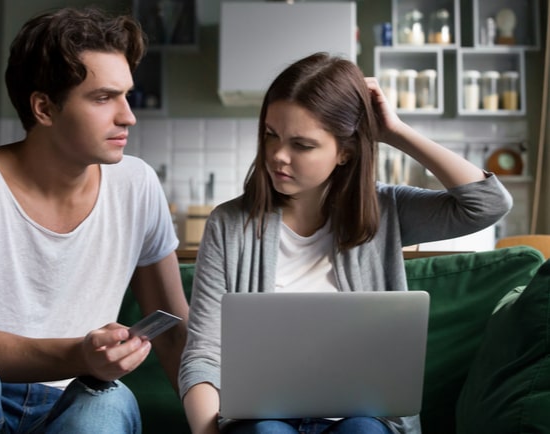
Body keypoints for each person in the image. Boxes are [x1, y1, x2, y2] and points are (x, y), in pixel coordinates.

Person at [178, 53, 512, 434]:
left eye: (302, 145)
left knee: (364, 431)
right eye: (271, 135)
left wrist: (395, 132)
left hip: (364, 420)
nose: (278, 156)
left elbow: (487, 204)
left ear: (345, 152)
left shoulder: (387, 210)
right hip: (261, 422)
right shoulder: (229, 224)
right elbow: (203, 355)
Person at [0, 6, 188, 433]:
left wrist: (220, 421)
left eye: (126, 95)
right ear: (44, 108)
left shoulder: (137, 183)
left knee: (106, 400)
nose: (127, 115)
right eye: (103, 97)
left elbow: (172, 331)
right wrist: (79, 353)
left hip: (78, 402)